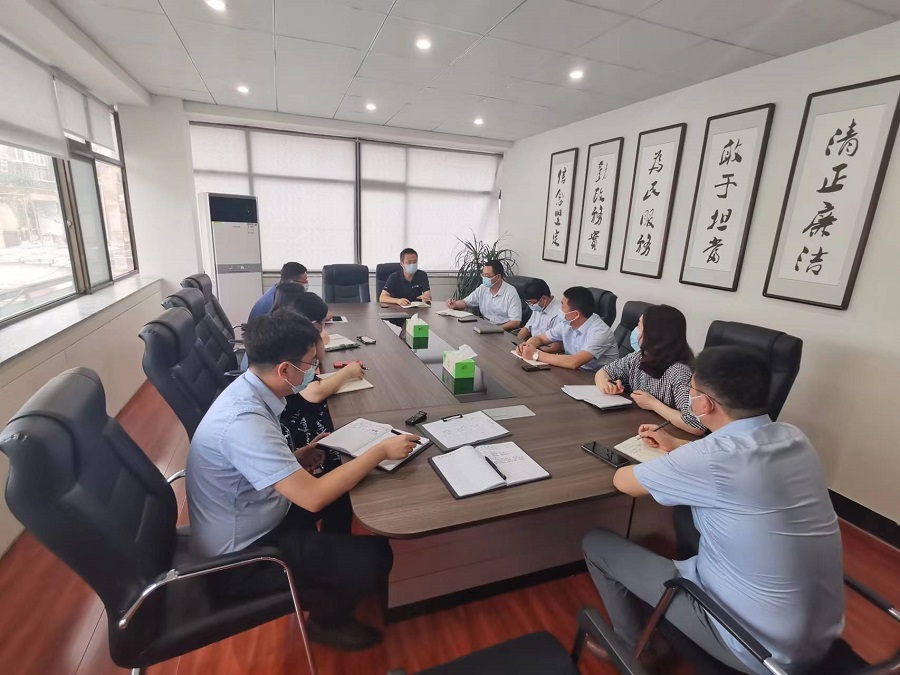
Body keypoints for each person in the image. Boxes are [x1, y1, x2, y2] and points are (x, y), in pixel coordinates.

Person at [582, 346, 844, 675]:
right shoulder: (794, 437)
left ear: (704, 404)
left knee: (596, 543)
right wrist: (678, 448)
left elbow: (625, 482)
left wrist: (678, 460)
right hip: (820, 635)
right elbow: (733, 462)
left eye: (691, 391)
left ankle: (634, 647)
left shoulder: (710, 458)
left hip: (755, 649)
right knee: (688, 520)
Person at [186, 309, 420, 651]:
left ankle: (333, 569)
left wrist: (296, 458)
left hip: (258, 514)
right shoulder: (243, 421)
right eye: (311, 364)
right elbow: (312, 498)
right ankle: (326, 621)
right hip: (242, 559)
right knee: (376, 556)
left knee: (344, 489)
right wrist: (379, 451)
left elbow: (254, 466)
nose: (315, 371)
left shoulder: (250, 391)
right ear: (285, 369)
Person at [595, 304, 705, 436]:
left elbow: (696, 425)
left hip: (672, 436)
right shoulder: (639, 357)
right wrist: (606, 384)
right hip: (641, 426)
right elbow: (604, 372)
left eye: (639, 325)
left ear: (652, 333)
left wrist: (653, 404)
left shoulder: (679, 372)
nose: (635, 330)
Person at [517, 286, 617, 371]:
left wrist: (536, 354)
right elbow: (540, 338)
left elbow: (574, 362)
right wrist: (527, 346)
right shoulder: (567, 323)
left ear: (575, 314)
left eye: (563, 306)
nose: (559, 310)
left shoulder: (600, 332)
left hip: (596, 380)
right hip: (573, 373)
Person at [445, 259, 521, 330]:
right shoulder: (483, 288)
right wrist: (455, 304)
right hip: (486, 328)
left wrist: (495, 329)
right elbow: (466, 302)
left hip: (504, 331)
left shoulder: (510, 292)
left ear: (498, 277)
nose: (484, 278)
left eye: (487, 276)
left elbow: (515, 322)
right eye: (483, 275)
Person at [516, 278, 562, 351]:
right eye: (528, 302)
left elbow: (556, 346)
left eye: (532, 303)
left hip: (546, 351)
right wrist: (517, 344)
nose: (530, 305)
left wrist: (534, 352)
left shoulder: (559, 313)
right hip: (533, 345)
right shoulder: (539, 307)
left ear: (544, 299)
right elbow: (526, 329)